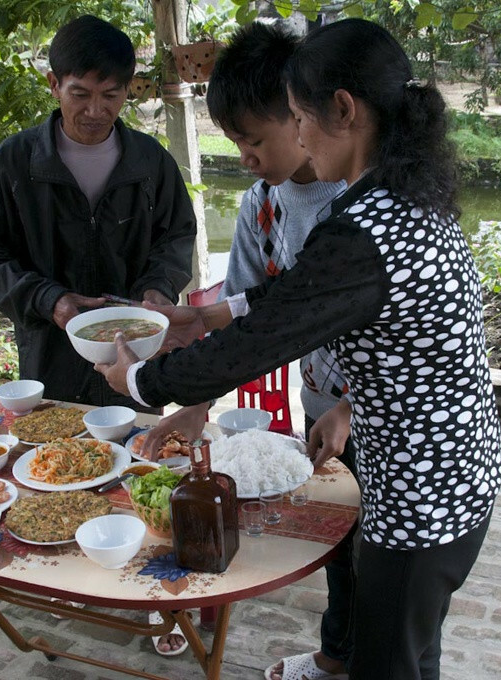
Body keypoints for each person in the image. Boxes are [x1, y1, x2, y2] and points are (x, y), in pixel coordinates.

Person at [95, 18, 501, 680]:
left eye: (299, 116)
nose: (301, 136)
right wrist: (212, 315)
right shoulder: (401, 199)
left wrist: (142, 379)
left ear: (343, 110)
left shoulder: (368, 227)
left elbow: (266, 337)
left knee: (389, 664)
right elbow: (302, 298)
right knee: (411, 652)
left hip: (423, 499)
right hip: (454, 477)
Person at [136, 23, 352, 676]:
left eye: (255, 139)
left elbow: (403, 329)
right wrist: (195, 402)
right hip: (320, 402)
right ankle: (336, 656)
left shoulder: (358, 203)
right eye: (236, 142)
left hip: (380, 407)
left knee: (382, 555)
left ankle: (366, 656)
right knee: (341, 544)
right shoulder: (262, 207)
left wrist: (357, 407)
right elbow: (242, 326)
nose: (247, 157)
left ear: (302, 113)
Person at [0, 15, 196, 411]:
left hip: (133, 353)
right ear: (54, 84)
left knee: (139, 456)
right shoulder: (16, 162)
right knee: (56, 461)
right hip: (50, 357)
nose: (96, 110)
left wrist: (158, 288)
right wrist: (50, 301)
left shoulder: (150, 162)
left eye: (111, 96)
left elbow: (176, 238)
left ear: (128, 91)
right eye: (80, 94)